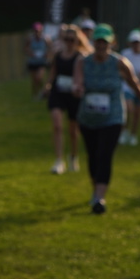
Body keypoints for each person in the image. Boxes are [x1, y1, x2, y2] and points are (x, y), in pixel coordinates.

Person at [73, 24, 140, 213]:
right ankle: (95, 189)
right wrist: (77, 88)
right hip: (88, 118)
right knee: (93, 155)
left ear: (112, 43)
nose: (101, 45)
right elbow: (77, 81)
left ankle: (100, 197)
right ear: (93, 42)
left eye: (105, 42)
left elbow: (135, 84)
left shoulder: (120, 62)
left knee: (104, 154)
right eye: (98, 41)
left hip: (113, 117)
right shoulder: (82, 62)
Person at [45, 24, 90, 174]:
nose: (69, 42)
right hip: (58, 93)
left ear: (78, 40)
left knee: (73, 130)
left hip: (73, 95)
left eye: (72, 39)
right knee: (57, 126)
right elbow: (53, 72)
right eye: (66, 39)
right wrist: (48, 85)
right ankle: (59, 160)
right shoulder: (58, 55)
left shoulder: (81, 57)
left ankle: (73, 156)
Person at [25, 21, 51, 99]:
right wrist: (31, 54)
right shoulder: (30, 39)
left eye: (38, 30)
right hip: (32, 62)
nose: (37, 32)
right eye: (35, 31)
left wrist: (47, 54)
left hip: (42, 62)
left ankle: (42, 92)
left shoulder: (46, 39)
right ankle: (35, 94)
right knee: (34, 80)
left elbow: (50, 48)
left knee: (39, 77)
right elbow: (25, 49)